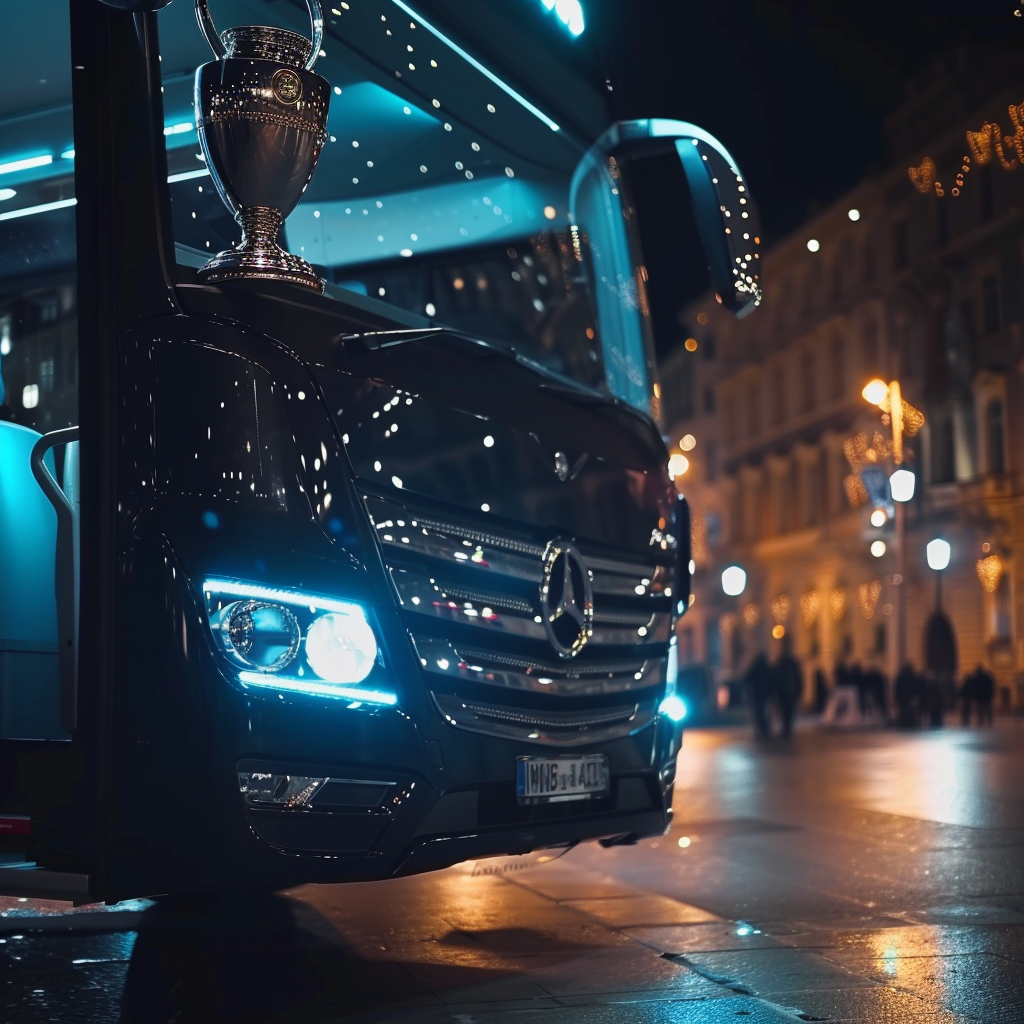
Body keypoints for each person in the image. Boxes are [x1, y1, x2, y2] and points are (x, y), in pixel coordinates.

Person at [774, 642, 803, 740]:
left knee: (786, 712)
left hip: (787, 692)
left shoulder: (782, 663)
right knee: (788, 712)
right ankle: (787, 729)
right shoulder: (791, 664)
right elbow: (798, 679)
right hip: (789, 692)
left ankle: (786, 730)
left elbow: (778, 679)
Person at [745, 653, 773, 739]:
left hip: (756, 695)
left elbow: (747, 679)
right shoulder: (767, 669)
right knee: (764, 713)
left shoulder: (755, 669)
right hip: (765, 695)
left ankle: (761, 731)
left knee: (758, 713)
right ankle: (765, 731)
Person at [895, 662, 920, 728]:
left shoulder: (901, 677)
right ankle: (910, 723)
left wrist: (897, 699)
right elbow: (916, 687)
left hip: (903, 698)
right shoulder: (913, 676)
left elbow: (897, 688)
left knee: (904, 711)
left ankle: (905, 723)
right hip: (910, 697)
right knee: (911, 711)